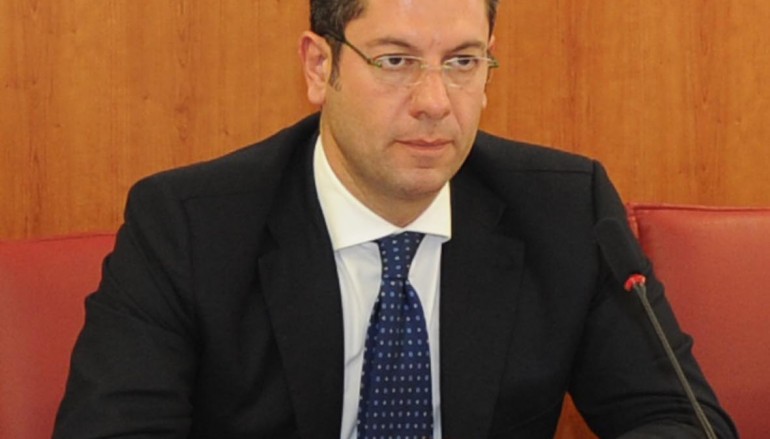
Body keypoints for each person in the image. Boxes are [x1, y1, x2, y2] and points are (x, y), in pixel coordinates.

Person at [53, 0, 737, 438]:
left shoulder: (565, 209)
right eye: (396, 61)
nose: (435, 101)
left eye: (462, 62)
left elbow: (678, 418)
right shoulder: (188, 225)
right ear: (319, 66)